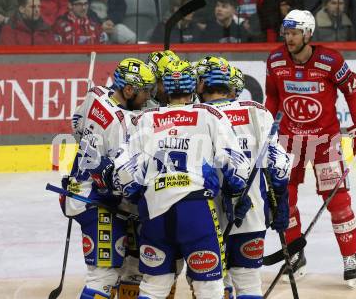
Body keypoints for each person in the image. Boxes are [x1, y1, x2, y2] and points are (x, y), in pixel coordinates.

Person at [99, 59, 252, 299]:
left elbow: (124, 172)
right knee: (209, 287)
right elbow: (237, 166)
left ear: (165, 89)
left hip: (155, 211)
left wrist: (137, 193)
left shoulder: (145, 119)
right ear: (194, 89)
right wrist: (234, 190)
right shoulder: (209, 114)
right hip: (196, 210)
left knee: (153, 285)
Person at [265, 9, 356, 288]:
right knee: (284, 201)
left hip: (325, 142)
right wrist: (265, 132)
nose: (288, 38)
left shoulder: (330, 60)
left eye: (294, 33)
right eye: (285, 32)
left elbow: (353, 89)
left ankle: (350, 258)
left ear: (308, 33)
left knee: (338, 203)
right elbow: (273, 97)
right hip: (289, 141)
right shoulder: (275, 60)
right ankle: (295, 254)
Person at [60, 58, 156, 298]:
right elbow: (121, 178)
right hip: (97, 202)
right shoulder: (121, 124)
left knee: (114, 271)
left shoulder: (96, 94)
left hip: (78, 188)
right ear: (129, 89)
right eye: (145, 91)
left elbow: (76, 126)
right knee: (103, 276)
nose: (148, 97)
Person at [196, 58, 291, 299]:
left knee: (213, 284)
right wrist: (281, 202)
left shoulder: (197, 114)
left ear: (202, 86)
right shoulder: (257, 111)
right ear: (231, 87)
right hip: (252, 215)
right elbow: (278, 165)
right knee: (249, 284)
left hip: (207, 216)